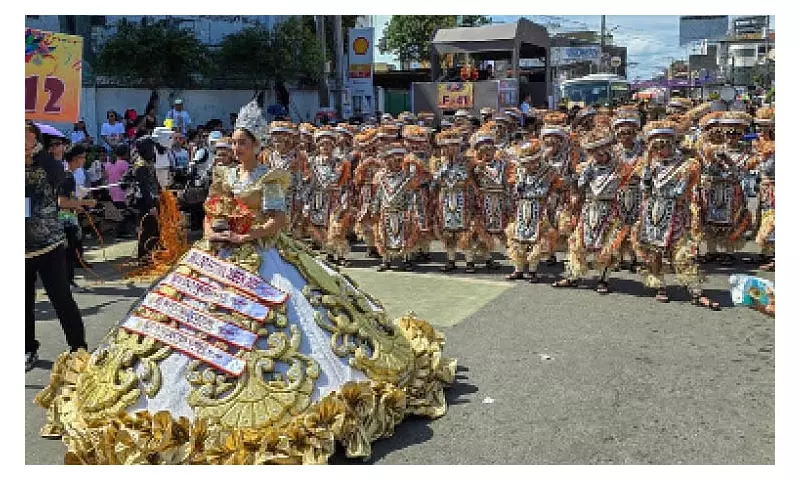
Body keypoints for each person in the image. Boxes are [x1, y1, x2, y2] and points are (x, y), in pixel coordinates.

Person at [36, 96, 456, 465]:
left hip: (265, 254)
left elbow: (278, 221)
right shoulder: (224, 175)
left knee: (288, 323)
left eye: (243, 142)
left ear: (258, 145)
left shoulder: (269, 178)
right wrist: (214, 230)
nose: (236, 148)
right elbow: (213, 210)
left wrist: (246, 233)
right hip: (219, 253)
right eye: (234, 141)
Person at [631, 120, 719, 310]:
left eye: (665, 145)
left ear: (672, 143)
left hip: (676, 215)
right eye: (657, 147)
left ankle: (696, 292)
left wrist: (669, 192)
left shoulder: (687, 165)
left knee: (683, 253)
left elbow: (680, 192)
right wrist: (647, 171)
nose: (662, 150)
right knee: (654, 253)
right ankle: (660, 287)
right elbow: (645, 189)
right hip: (653, 213)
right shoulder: (650, 165)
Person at [25, 121, 89, 371]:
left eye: (29, 139)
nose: (23, 144)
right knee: (22, 303)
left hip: (49, 246)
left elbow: (57, 179)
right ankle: (27, 348)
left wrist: (36, 153)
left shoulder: (47, 166)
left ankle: (78, 348)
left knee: (62, 299)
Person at [60, 144, 97, 291]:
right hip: (65, 220)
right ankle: (67, 283)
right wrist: (85, 202)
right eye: (83, 157)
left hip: (67, 218)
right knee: (68, 253)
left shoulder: (66, 174)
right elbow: (62, 202)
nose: (84, 159)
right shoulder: (67, 176)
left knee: (69, 252)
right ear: (76, 159)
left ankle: (67, 281)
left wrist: (77, 204)